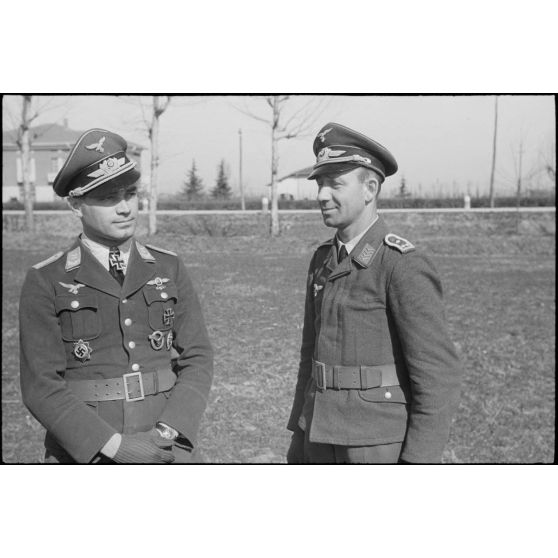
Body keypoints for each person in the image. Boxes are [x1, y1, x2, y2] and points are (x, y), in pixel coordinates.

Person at [19, 128, 213, 463]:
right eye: (108, 197)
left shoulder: (168, 267)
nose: (124, 208)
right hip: (87, 451)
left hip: (165, 444)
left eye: (130, 193)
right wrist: (112, 446)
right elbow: (41, 385)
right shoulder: (46, 279)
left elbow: (197, 357)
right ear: (76, 204)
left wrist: (169, 431)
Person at [286, 122, 463, 464]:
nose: (322, 195)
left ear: (369, 189)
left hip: (375, 443)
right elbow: (310, 357)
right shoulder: (322, 259)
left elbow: (439, 377)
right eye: (320, 184)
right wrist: (299, 432)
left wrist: (418, 461)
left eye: (335, 184)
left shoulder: (401, 265)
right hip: (318, 435)